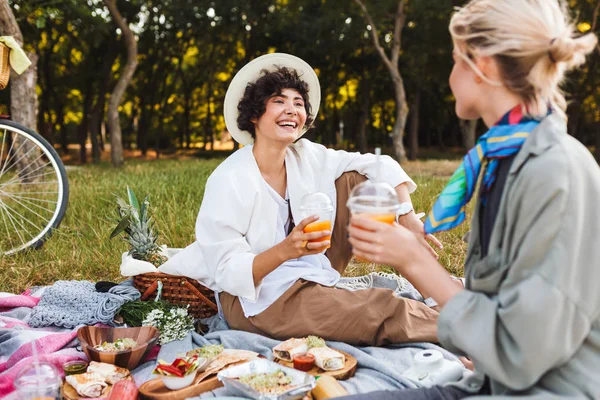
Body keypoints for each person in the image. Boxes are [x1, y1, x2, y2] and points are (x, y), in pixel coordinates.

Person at [345, 0, 600, 398]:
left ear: (481, 65)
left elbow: (521, 353)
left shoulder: (555, 172)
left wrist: (414, 258)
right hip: (492, 380)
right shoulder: (504, 160)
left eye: (455, 61)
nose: (450, 75)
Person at [193, 53, 442, 346]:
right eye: (279, 101)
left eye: (298, 103)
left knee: (357, 182)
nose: (291, 110)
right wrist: (286, 250)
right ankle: (465, 329)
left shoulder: (306, 156)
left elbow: (379, 165)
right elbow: (227, 273)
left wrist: (405, 214)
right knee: (379, 309)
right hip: (259, 300)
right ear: (254, 115)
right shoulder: (229, 178)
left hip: (312, 269)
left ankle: (436, 292)